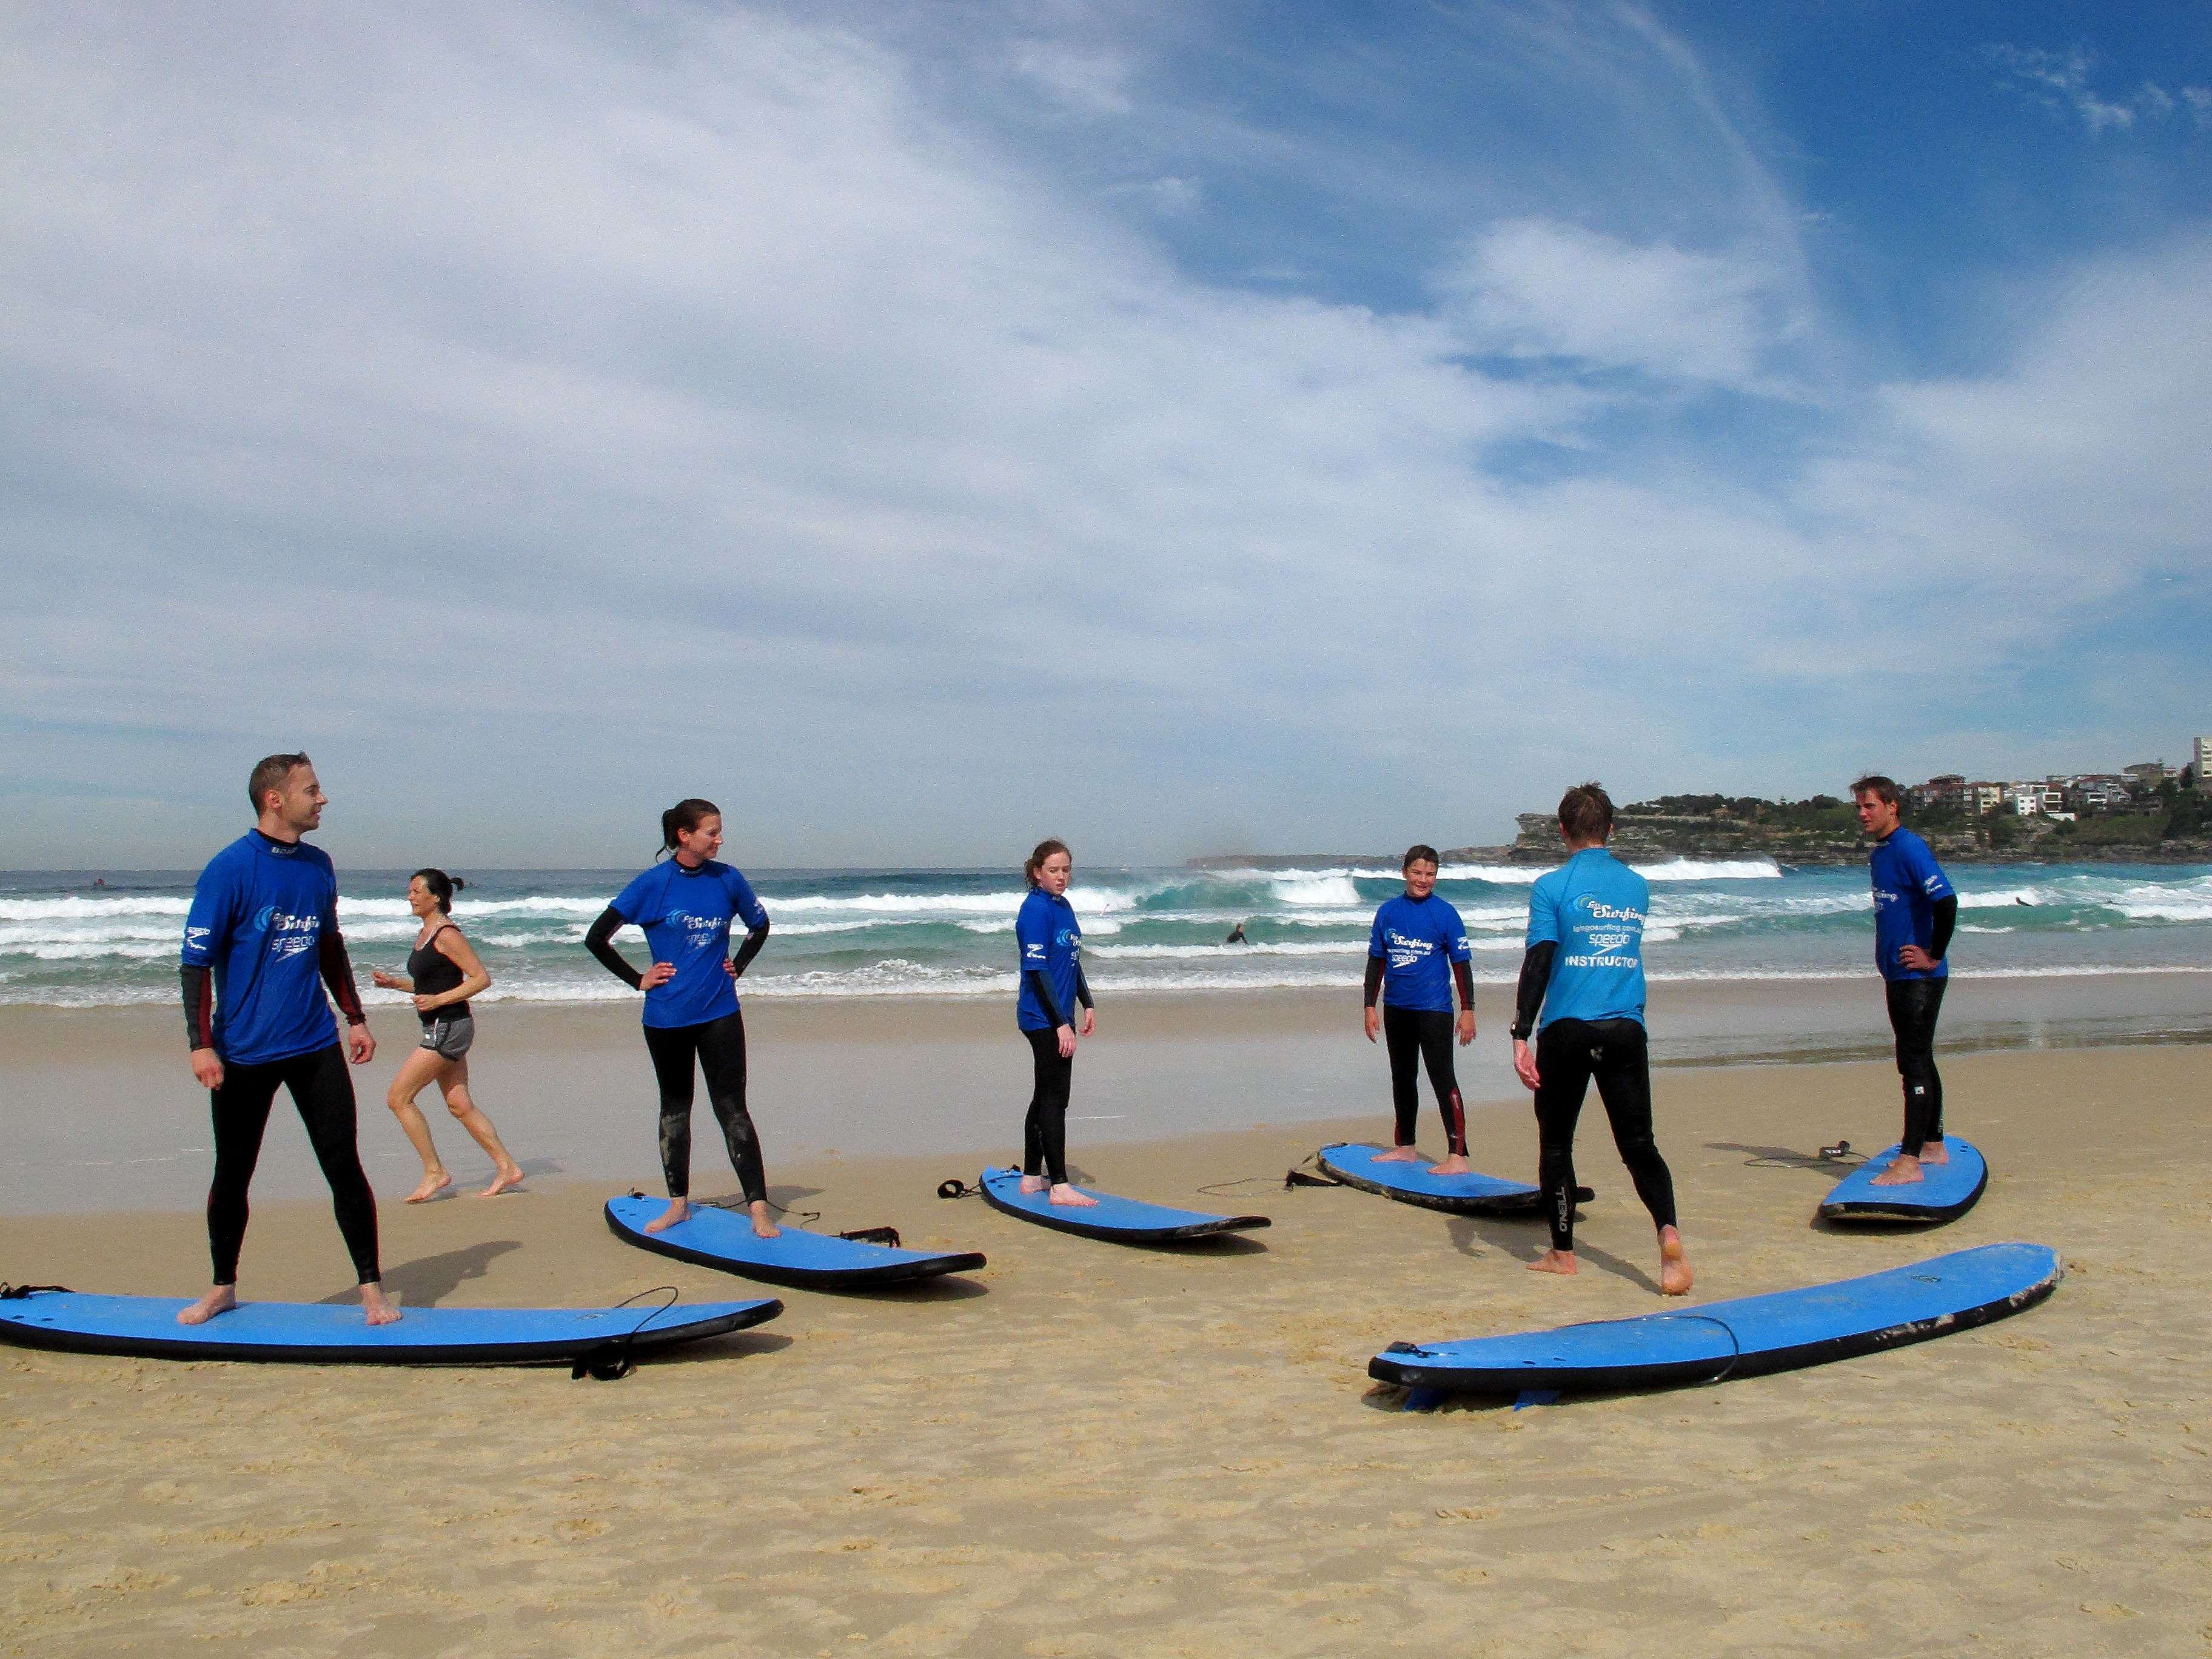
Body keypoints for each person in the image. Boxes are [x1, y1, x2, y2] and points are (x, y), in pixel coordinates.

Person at [177, 753, 397, 1326]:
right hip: (243, 1051)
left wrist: (354, 1016)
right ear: (275, 799)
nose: (322, 799)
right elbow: (195, 963)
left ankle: (372, 1290)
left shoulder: (319, 865)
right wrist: (200, 1044)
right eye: (312, 790)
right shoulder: (230, 869)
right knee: (233, 1172)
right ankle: (223, 1286)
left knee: (343, 1165)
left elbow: (329, 944)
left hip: (314, 1044)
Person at [1509, 783, 1691, 1295]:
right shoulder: (1636, 887)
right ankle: (1669, 1235)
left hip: (1567, 1030)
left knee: (1557, 1143)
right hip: (1626, 1029)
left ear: (1562, 830)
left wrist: (1521, 1033)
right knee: (1639, 1146)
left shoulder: (1551, 886)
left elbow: (1540, 961)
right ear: (1610, 829)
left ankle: (1563, 1254)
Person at [585, 799, 776, 1237]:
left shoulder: (728, 878)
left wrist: (739, 965)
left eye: (720, 830)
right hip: (667, 1017)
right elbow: (597, 938)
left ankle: (759, 1208)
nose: (720, 839)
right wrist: (638, 979)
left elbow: (759, 925)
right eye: (712, 832)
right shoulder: (653, 885)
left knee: (733, 1109)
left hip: (720, 1012)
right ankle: (678, 1205)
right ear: (684, 836)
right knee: (676, 1111)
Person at [369, 870, 525, 1202]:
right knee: (459, 1104)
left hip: (449, 1026)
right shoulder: (426, 933)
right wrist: (397, 984)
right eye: (408, 891)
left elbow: (481, 979)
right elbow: (432, 985)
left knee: (398, 1098)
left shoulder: (446, 934)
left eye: (415, 891)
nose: (409, 896)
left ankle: (434, 1172)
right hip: (442, 1025)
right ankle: (507, 1167)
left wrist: (439, 1001)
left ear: (435, 897)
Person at [1851, 774, 1959, 1187]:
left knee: (1912, 1064)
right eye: (1859, 807)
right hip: (1898, 976)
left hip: (1918, 978)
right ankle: (1932, 1144)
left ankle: (1910, 1161)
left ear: (1892, 806)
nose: (1863, 814)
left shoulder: (1909, 847)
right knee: (1919, 1058)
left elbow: (1946, 901)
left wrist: (1933, 954)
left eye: (1870, 806)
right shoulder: (1881, 854)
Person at [1362, 845, 1476, 1176]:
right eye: (1417, 872)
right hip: (1396, 1008)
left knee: (1443, 1078)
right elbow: (1376, 962)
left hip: (1434, 1010)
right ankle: (1406, 1147)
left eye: (1430, 874)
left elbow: (1461, 965)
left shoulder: (1446, 914)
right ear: (1405, 872)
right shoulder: (1387, 913)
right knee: (1403, 1078)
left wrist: (1468, 1010)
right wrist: (1370, 1005)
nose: (1423, 880)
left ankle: (1458, 1155)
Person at [1016, 839, 1098, 1207]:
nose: (1062, 877)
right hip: (1041, 1017)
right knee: (1054, 1098)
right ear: (1037, 872)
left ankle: (1033, 1176)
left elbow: (1071, 959)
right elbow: (1038, 970)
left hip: (1060, 1014)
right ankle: (1060, 1185)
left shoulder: (1063, 907)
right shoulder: (1035, 910)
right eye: (1054, 870)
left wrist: (1087, 1002)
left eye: (1066, 870)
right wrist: (1061, 1022)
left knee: (1047, 1094)